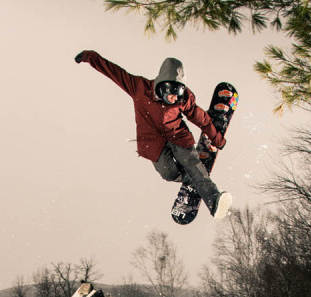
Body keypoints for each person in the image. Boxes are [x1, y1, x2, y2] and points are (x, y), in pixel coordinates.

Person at [74, 50, 232, 219]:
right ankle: (190, 176)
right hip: (152, 142)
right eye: (170, 95)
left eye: (177, 96)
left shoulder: (184, 98)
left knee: (191, 163)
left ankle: (213, 200)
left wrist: (217, 139)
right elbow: (113, 72)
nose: (173, 99)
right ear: (162, 87)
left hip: (177, 135)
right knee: (168, 173)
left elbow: (200, 118)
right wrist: (89, 57)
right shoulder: (139, 88)